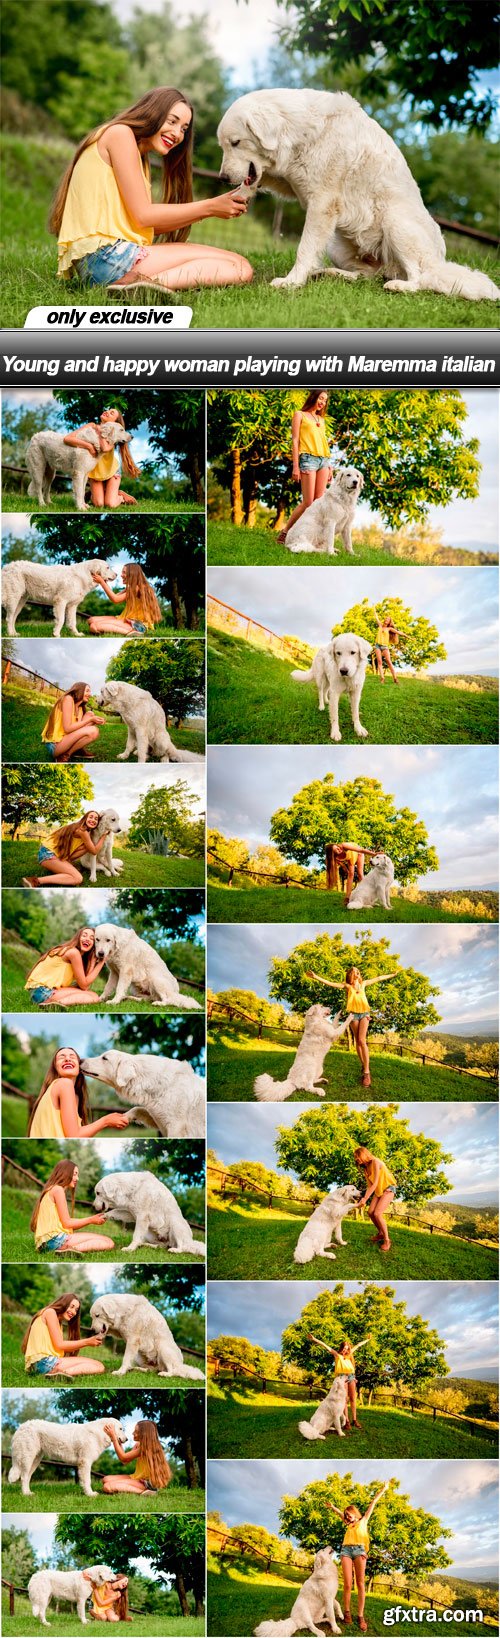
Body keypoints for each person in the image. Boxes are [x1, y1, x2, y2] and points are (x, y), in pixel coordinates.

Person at [50, 86, 253, 293]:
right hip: (106, 259)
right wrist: (210, 207)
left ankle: (138, 286)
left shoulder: (139, 155)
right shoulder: (120, 134)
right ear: (152, 113)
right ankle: (142, 286)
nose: (177, 134)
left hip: (105, 260)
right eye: (172, 121)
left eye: (183, 129)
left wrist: (213, 209)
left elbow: (140, 224)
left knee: (239, 264)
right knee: (238, 268)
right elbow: (143, 216)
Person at [304, 964, 399, 1088]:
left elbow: (379, 978)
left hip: (365, 1014)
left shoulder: (364, 984)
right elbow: (330, 983)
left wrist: (392, 974)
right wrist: (316, 977)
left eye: (358, 971)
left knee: (361, 1040)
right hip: (353, 1016)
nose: (357, 972)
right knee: (357, 1043)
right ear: (350, 975)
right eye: (354, 971)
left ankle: (366, 1072)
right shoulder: (347, 986)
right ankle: (363, 1064)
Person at [27, 1046, 130, 1138]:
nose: (67, 1059)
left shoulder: (71, 1094)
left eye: (72, 1057)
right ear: (55, 1068)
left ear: (80, 1066)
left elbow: (76, 1134)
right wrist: (106, 1121)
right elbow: (74, 1135)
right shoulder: (64, 1084)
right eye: (61, 1057)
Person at [326, 1482, 389, 1631]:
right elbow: (340, 1514)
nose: (347, 1515)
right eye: (346, 1514)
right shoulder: (348, 1524)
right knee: (347, 1583)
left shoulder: (363, 1520)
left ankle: (360, 1616)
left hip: (360, 1551)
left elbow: (373, 1502)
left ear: (354, 1512)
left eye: (349, 1513)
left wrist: (384, 1489)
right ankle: (347, 1612)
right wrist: (333, 1507)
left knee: (360, 1583)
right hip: (346, 1551)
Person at [277, 391, 332, 543]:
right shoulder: (299, 415)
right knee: (308, 503)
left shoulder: (321, 419)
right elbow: (295, 441)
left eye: (325, 400)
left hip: (324, 461)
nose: (322, 402)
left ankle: (313, 538)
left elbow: (323, 442)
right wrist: (296, 467)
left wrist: (330, 466)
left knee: (319, 502)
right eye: (321, 398)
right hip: (308, 459)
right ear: (313, 397)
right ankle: (285, 532)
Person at [63, 407, 140, 510]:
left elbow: (104, 448)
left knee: (110, 504)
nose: (107, 411)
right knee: (99, 504)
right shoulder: (91, 426)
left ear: (115, 423)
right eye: (108, 410)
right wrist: (89, 446)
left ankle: (120, 496)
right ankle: (99, 493)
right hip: (95, 472)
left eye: (112, 413)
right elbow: (68, 439)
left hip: (111, 472)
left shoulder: (113, 437)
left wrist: (100, 430)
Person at [30, 1160, 115, 1254]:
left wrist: (92, 1219)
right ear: (65, 1173)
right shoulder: (58, 1190)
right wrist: (91, 1220)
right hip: (55, 1241)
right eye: (74, 1174)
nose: (77, 1178)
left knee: (105, 1241)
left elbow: (66, 1222)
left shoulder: (51, 1190)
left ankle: (67, 1251)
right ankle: (70, 1250)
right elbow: (67, 1223)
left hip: (46, 1244)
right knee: (108, 1242)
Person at [24, 926, 110, 1010]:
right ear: (78, 937)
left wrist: (92, 963)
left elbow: (85, 986)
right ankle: (54, 1003)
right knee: (93, 997)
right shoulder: (73, 952)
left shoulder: (72, 952)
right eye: (84, 935)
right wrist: (101, 963)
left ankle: (51, 1003)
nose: (87, 939)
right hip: (43, 993)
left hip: (39, 993)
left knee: (92, 994)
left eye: (91, 938)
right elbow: (84, 986)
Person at [22, 1294, 105, 1378]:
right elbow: (60, 1344)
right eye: (71, 1307)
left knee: (97, 1364)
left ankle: (59, 1374)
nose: (73, 1312)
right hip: (45, 1363)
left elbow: (58, 1346)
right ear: (63, 1303)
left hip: (40, 1364)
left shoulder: (57, 1320)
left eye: (76, 1310)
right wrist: (87, 1342)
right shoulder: (50, 1312)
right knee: (98, 1366)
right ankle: (61, 1374)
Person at [22, 810, 110, 889]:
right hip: (48, 854)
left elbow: (89, 848)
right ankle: (34, 881)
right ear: (85, 818)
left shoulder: (78, 827)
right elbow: (94, 851)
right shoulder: (83, 831)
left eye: (96, 819)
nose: (93, 820)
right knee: (78, 878)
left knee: (86, 847)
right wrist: (103, 836)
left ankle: (66, 862)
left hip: (49, 852)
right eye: (90, 817)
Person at [307, 1332, 372, 1430]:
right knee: (344, 1399)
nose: (345, 1350)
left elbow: (358, 1345)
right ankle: (347, 1421)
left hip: (351, 1377)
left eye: (347, 1348)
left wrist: (367, 1340)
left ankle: (354, 1420)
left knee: (353, 1398)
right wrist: (314, 1339)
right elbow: (325, 1345)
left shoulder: (350, 1355)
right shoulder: (337, 1355)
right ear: (341, 1348)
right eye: (344, 1348)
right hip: (342, 1378)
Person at [87, 562, 162, 636]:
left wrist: (102, 582)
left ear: (132, 574)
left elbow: (115, 600)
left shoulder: (136, 588)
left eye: (124, 572)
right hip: (125, 619)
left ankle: (134, 632)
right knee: (91, 620)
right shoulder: (132, 587)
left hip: (136, 624)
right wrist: (104, 582)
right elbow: (115, 596)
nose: (121, 575)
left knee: (94, 626)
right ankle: (111, 630)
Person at [101, 1419, 173, 1495]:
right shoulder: (139, 1445)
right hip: (137, 1478)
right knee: (106, 1479)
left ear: (143, 1434)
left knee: (107, 1486)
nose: (133, 1433)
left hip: (145, 1483)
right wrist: (119, 1443)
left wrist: (114, 1438)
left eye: (136, 1431)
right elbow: (125, 1461)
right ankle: (135, 1489)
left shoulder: (146, 1447)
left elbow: (123, 1457)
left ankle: (144, 1492)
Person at [41, 682, 105, 762]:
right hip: (55, 744)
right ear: (79, 690)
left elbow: (76, 728)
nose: (90, 694)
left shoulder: (80, 708)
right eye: (87, 691)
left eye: (90, 691)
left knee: (90, 714)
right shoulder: (68, 699)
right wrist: (90, 720)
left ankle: (72, 752)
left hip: (66, 739)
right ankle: (63, 755)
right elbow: (67, 729)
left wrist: (92, 719)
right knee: (93, 730)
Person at [354, 1145, 397, 1254]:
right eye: (355, 1157)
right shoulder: (366, 1169)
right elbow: (370, 1186)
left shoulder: (376, 1162)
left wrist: (364, 1199)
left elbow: (376, 1182)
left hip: (388, 1189)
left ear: (364, 1154)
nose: (356, 1159)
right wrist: (364, 1199)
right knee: (370, 1212)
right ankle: (380, 1233)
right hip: (379, 1191)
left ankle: (387, 1240)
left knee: (377, 1213)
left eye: (357, 1156)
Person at [371, 609, 401, 684]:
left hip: (385, 647)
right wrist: (374, 610)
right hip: (377, 645)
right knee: (379, 662)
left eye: (388, 619)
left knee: (389, 662)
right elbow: (376, 617)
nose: (386, 619)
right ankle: (382, 678)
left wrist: (408, 636)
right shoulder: (380, 625)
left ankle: (395, 678)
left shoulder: (389, 629)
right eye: (386, 618)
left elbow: (399, 632)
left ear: (389, 622)